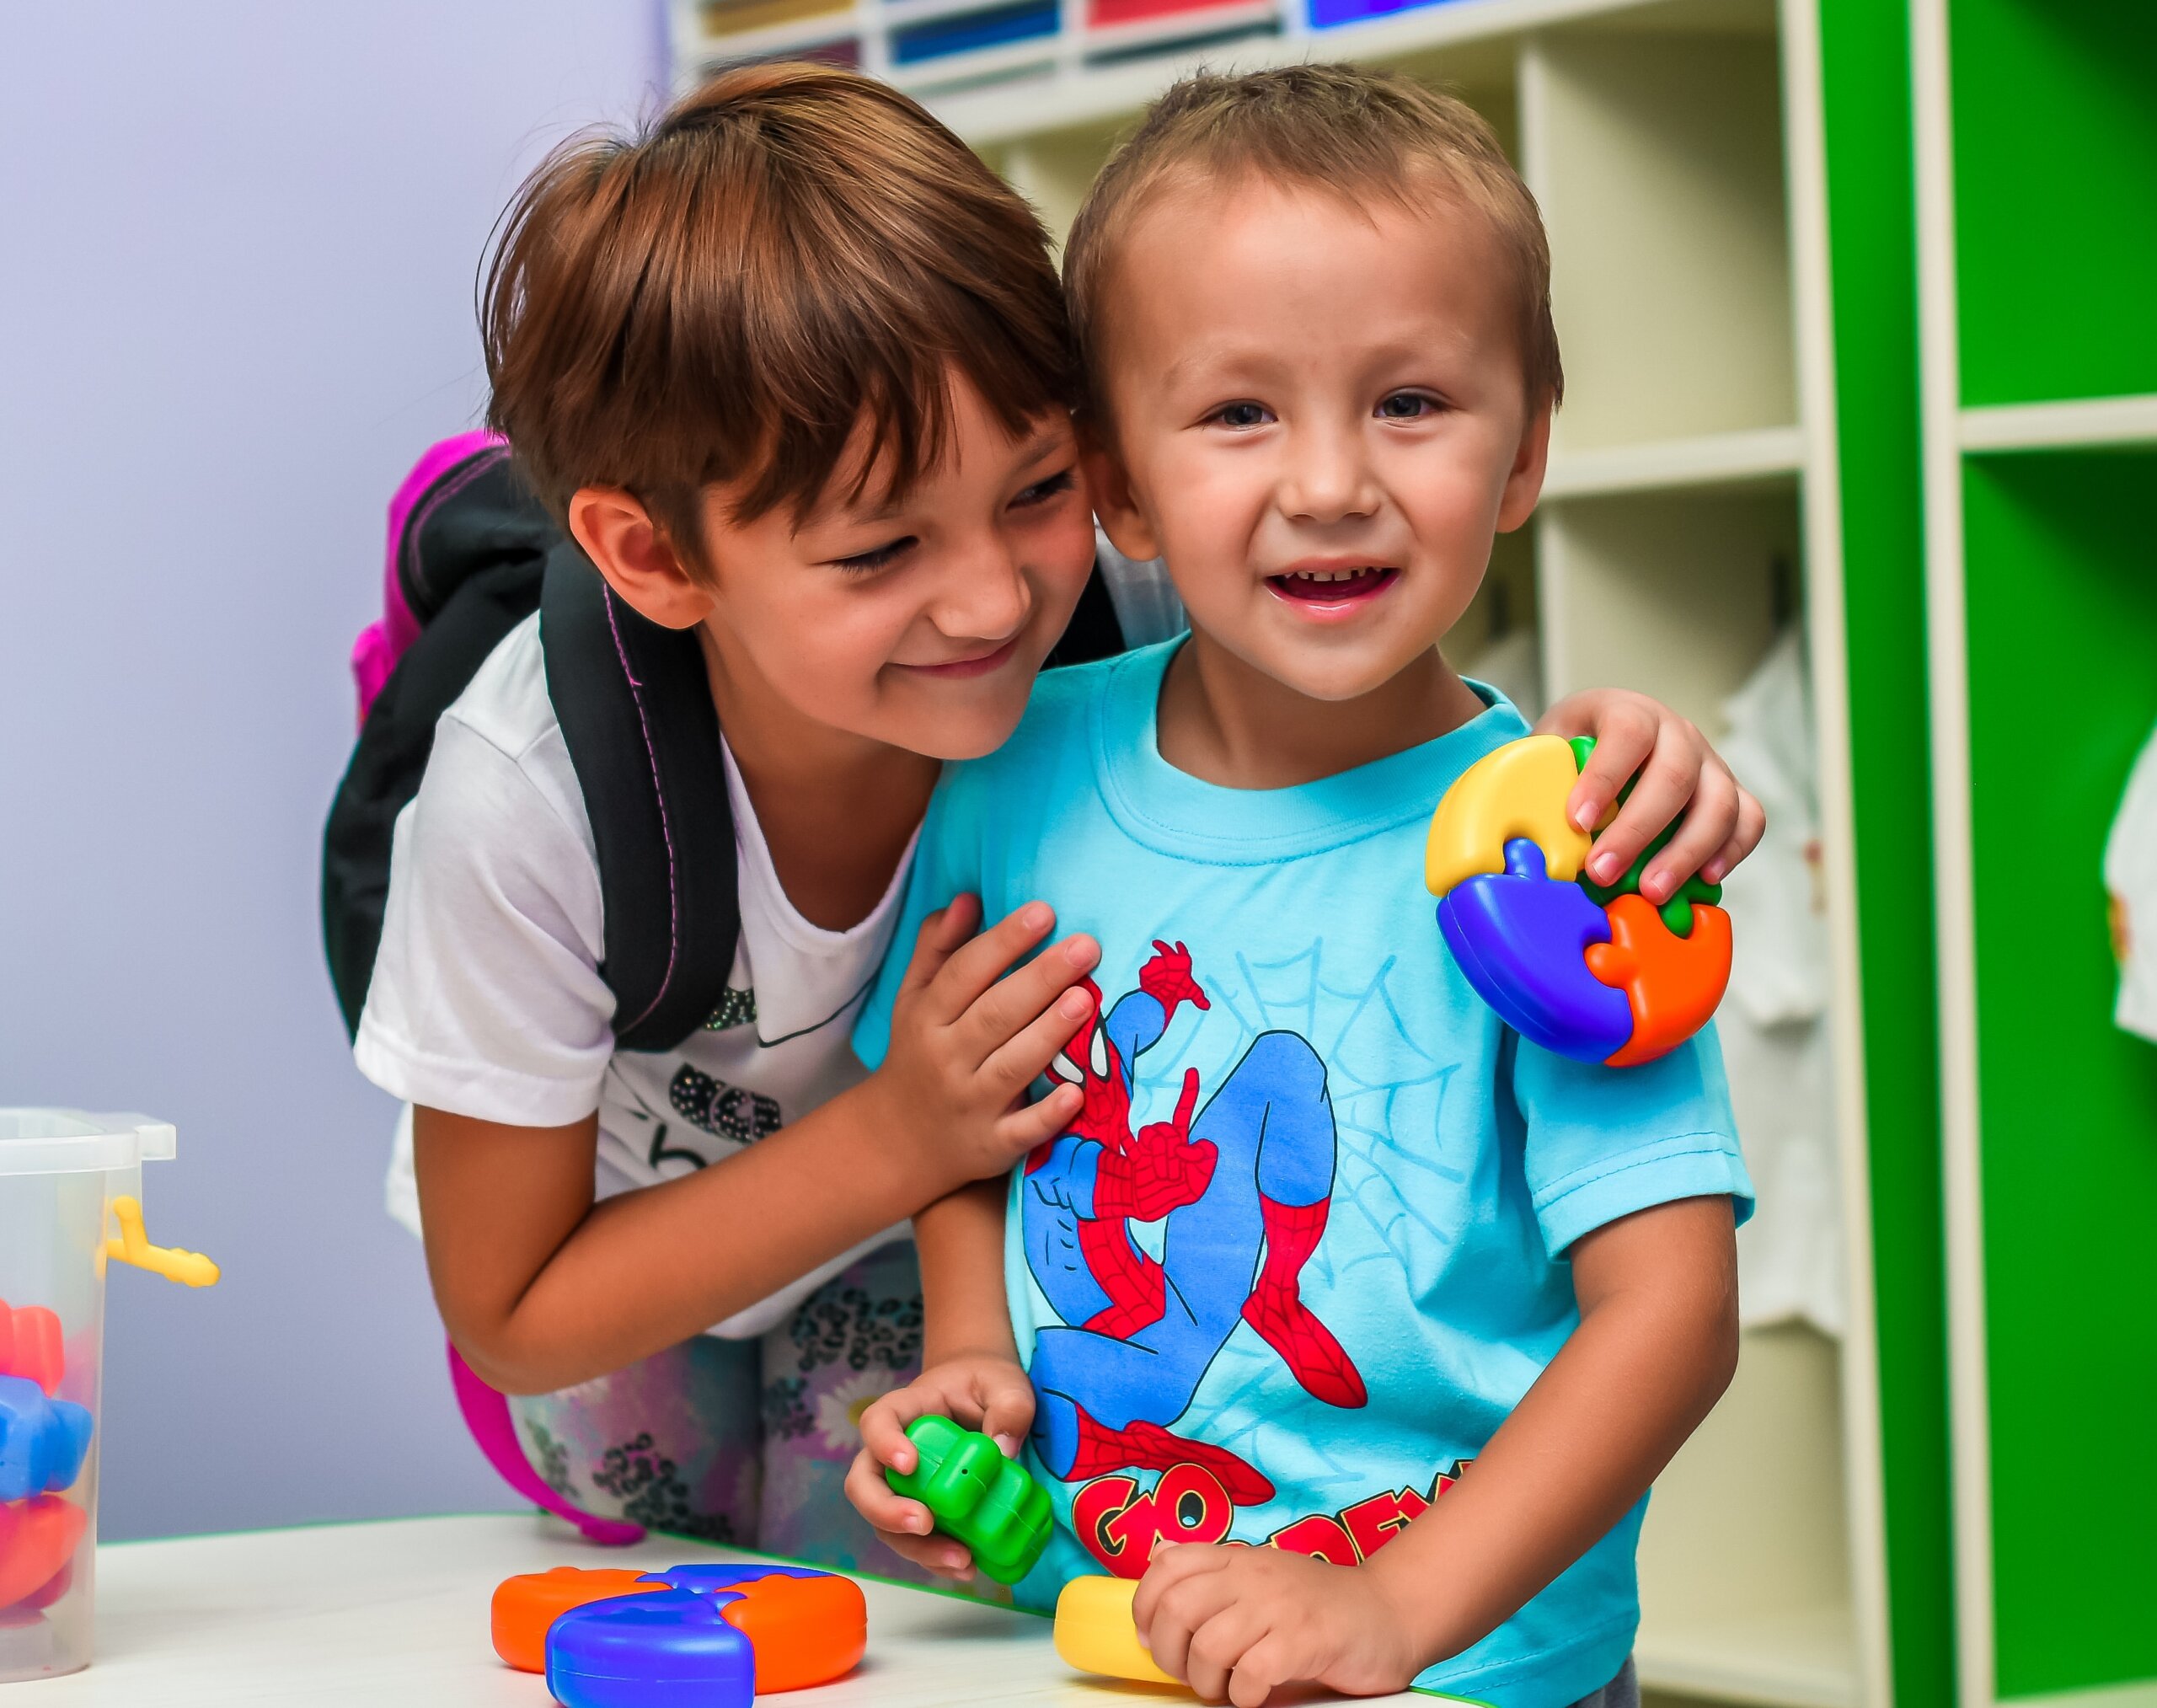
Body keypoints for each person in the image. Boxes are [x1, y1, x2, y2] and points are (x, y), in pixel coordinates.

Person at [356, 62, 1758, 1584]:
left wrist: (1628, 761)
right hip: (629, 1275)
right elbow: (510, 1311)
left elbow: (1379, 719)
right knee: (706, 1563)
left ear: (1097, 465)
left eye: (1036, 493)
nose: (994, 600)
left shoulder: (1133, 590)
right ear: (653, 554)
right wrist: (900, 1136)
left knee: (950, 1567)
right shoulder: (533, 793)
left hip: (963, 1237)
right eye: (883, 545)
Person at [845, 63, 1753, 1706]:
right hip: (1079, 1643)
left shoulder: (1573, 851)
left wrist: (1392, 1613)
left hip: (1458, 1673)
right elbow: (965, 1134)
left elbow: (1671, 1316)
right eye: (1236, 412)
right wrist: (969, 1359)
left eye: (1409, 402)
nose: (1329, 482)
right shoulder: (1007, 768)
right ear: (1113, 483)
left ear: (1526, 452)